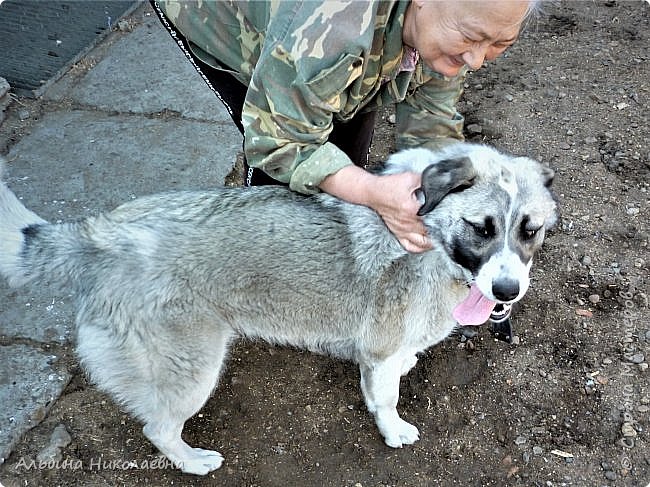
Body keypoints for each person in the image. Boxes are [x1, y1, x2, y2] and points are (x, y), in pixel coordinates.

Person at [151, 0, 538, 253]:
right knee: (289, 180)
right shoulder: (329, 30)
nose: (476, 60)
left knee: (343, 145)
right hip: (221, 16)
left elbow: (431, 114)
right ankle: (265, 271)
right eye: (471, 38)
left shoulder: (453, 22)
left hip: (335, 46)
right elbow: (279, 140)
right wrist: (370, 190)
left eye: (499, 44)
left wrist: (443, 183)